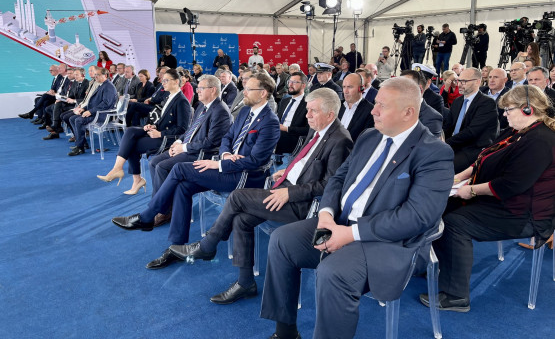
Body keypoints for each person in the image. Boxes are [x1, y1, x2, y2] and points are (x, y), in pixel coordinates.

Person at [259, 77, 454, 339]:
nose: (373, 111)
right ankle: (285, 332)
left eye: (382, 106)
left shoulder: (434, 153)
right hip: (340, 223)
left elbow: (418, 217)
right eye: (375, 104)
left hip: (386, 242)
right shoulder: (369, 136)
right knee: (282, 240)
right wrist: (326, 214)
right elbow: (338, 178)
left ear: (408, 112)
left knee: (332, 273)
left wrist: (351, 234)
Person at [169, 88, 354, 303]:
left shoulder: (341, 140)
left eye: (313, 111)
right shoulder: (318, 128)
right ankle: (245, 283)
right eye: (307, 110)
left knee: (237, 197)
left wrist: (289, 192)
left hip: (301, 204)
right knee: (241, 219)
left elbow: (330, 185)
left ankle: (207, 246)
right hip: (283, 188)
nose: (307, 115)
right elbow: (304, 161)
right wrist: (286, 172)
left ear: (330, 115)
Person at [111, 73, 281, 267]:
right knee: (183, 186)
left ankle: (147, 216)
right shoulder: (244, 112)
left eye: (249, 89)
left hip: (244, 177)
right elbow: (227, 138)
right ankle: (176, 245)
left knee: (179, 169)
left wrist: (219, 164)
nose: (244, 93)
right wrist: (226, 155)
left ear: (263, 93)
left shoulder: (270, 122)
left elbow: (255, 161)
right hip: (227, 167)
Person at [422, 86, 555, 312]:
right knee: (442, 207)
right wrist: (458, 178)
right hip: (507, 201)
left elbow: (511, 185)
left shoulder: (541, 140)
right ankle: (440, 267)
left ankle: (456, 296)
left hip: (525, 214)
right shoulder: (518, 131)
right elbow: (483, 157)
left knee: (455, 224)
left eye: (509, 110)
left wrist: (471, 191)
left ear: (527, 109)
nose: (505, 114)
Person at [97, 69, 191, 193]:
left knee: (131, 145)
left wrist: (160, 133)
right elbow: (163, 120)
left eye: (166, 80)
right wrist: (153, 126)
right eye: (162, 80)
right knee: (130, 131)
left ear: (176, 82)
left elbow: (183, 129)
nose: (163, 83)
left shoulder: (182, 101)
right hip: (157, 132)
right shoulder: (169, 96)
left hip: (167, 139)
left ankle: (134, 179)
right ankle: (118, 169)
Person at [148, 75, 232, 202]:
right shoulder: (202, 106)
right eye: (198, 88)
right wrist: (178, 142)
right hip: (188, 147)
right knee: (153, 162)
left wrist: (183, 148)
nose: (197, 91)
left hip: (200, 153)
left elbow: (211, 142)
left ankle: (160, 207)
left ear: (213, 90)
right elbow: (190, 129)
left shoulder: (220, 110)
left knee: (162, 167)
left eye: (201, 88)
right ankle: (161, 204)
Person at [443, 67, 499, 172]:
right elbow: (448, 126)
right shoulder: (457, 101)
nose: (459, 84)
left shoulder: (487, 103)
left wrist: (446, 143)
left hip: (473, 148)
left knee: (445, 167)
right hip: (455, 144)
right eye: (459, 81)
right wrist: (439, 140)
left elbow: (472, 132)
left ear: (477, 82)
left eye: (464, 81)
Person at [68, 67, 118, 156]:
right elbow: (94, 102)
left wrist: (90, 111)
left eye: (98, 75)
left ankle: (80, 147)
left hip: (103, 114)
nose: (95, 77)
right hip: (96, 112)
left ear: (105, 75)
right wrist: (84, 108)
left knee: (78, 120)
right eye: (95, 75)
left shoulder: (108, 86)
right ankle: (82, 143)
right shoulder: (101, 85)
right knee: (72, 118)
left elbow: (106, 104)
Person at [44, 68, 89, 140]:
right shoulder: (76, 82)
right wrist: (62, 98)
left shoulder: (87, 84)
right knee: (53, 107)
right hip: (73, 104)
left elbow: (87, 99)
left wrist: (73, 100)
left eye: (76, 75)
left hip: (81, 106)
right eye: (74, 75)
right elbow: (70, 95)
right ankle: (56, 128)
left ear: (83, 75)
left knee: (60, 111)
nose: (75, 76)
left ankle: (56, 128)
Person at [400, 70, 444, 139]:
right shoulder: (394, 109)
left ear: (419, 89)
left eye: (404, 86)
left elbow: (425, 145)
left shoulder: (432, 118)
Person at [276, 72, 309, 156]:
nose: (290, 85)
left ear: (303, 85)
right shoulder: (284, 101)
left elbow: (308, 130)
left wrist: (286, 129)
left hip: (294, 144)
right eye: (289, 82)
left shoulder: (308, 104)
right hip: (277, 140)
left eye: (294, 82)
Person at [338, 73, 374, 142]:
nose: (345, 91)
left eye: (350, 87)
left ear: (361, 88)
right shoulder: (338, 105)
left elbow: (365, 141)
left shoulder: (370, 111)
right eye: (344, 87)